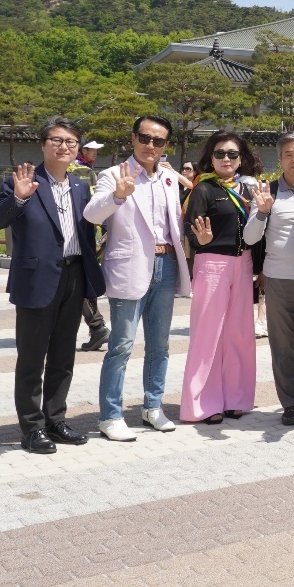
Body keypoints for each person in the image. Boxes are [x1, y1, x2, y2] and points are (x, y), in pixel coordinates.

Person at [0, 118, 105, 454]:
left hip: (73, 275)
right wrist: (19, 199)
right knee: (32, 358)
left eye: (71, 141)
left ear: (77, 149)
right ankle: (32, 428)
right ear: (43, 144)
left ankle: (56, 419)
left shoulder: (82, 187)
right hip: (36, 279)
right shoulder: (23, 180)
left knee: (64, 355)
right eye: (56, 140)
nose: (64, 146)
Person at [85, 116, 192, 440]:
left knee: (160, 345)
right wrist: (117, 196)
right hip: (130, 267)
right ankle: (110, 415)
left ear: (166, 146)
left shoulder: (170, 180)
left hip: (166, 263)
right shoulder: (113, 174)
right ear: (133, 139)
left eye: (158, 141)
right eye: (145, 138)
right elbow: (91, 214)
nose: (151, 146)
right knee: (121, 345)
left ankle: (152, 406)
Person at [241, 131, 294, 426]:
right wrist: (262, 212)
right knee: (282, 349)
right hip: (278, 281)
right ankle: (290, 403)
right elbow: (250, 238)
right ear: (280, 158)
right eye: (288, 154)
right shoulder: (268, 192)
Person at [180, 131, 260, 424]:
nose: (226, 159)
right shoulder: (203, 188)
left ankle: (235, 398)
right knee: (207, 335)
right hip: (212, 263)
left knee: (239, 334)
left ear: (242, 159)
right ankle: (203, 404)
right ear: (210, 158)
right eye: (219, 153)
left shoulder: (250, 189)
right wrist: (200, 239)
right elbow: (191, 228)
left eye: (232, 154)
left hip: (244, 263)